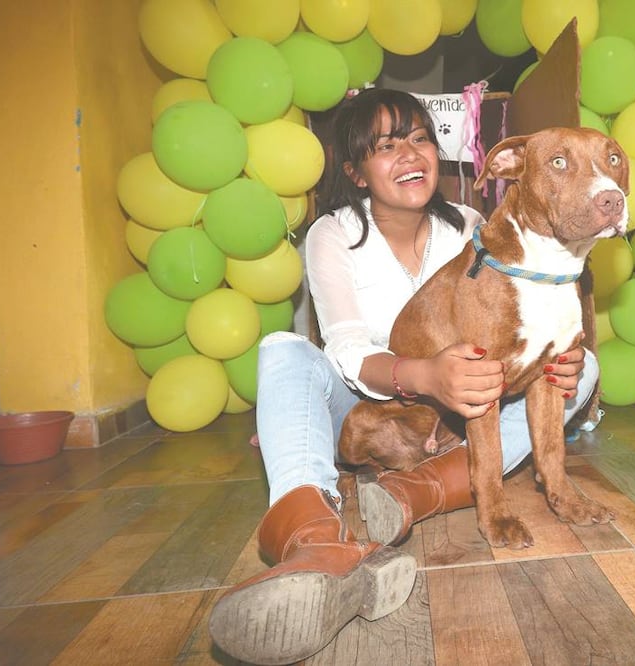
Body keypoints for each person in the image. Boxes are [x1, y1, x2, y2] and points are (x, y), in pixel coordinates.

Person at [208, 88, 600, 665]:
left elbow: (524, 326)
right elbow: (342, 349)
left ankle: (410, 493)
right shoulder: (332, 234)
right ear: (357, 172)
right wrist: (424, 376)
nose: (410, 154)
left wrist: (554, 354)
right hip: (365, 397)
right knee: (284, 349)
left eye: (420, 139)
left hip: (461, 410)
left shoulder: (472, 226)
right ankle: (312, 543)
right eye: (386, 146)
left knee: (583, 369)